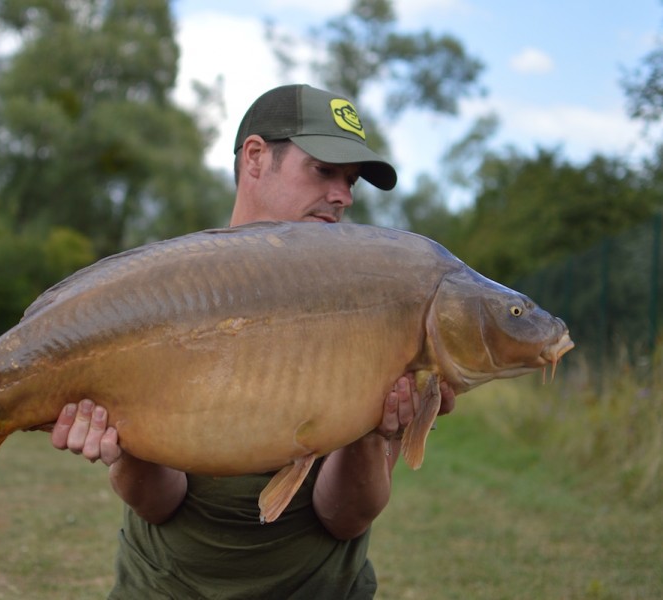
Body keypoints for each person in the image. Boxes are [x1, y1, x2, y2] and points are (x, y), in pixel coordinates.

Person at [50, 84, 455, 599]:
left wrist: (376, 433)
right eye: (324, 170)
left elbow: (343, 517)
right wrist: (124, 446)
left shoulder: (371, 303)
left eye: (351, 181)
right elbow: (158, 503)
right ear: (257, 158)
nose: (344, 196)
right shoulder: (172, 287)